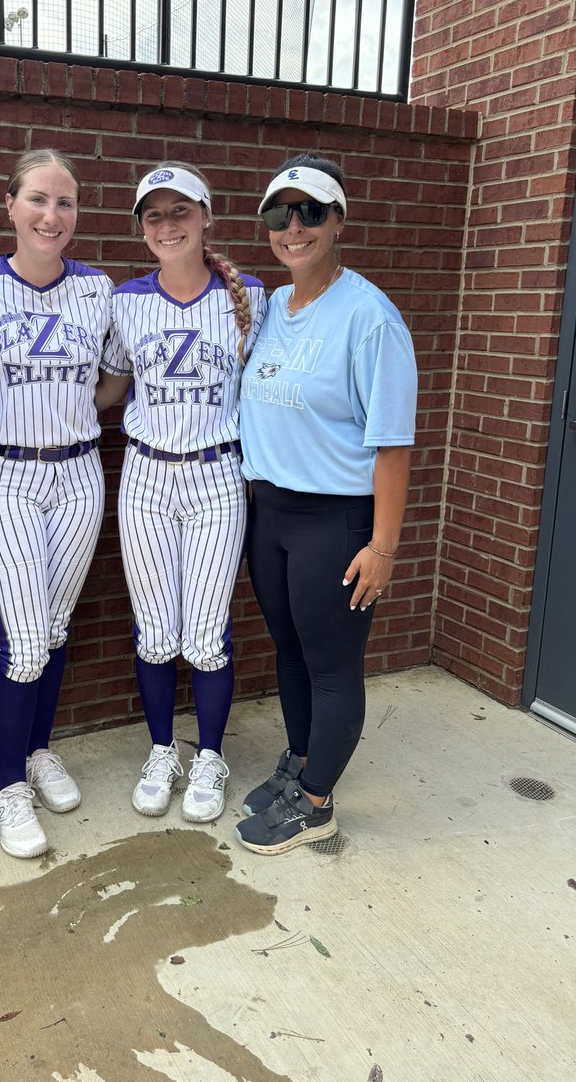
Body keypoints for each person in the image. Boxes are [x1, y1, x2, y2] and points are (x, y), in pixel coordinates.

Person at [234, 153, 417, 855]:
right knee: (290, 650)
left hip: (334, 522)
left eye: (311, 211)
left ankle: (316, 804)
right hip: (271, 515)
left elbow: (393, 445)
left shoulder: (370, 317)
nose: (294, 227)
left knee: (333, 665)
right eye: (281, 214)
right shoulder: (274, 306)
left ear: (338, 220)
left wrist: (382, 545)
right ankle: (303, 762)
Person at [0, 150, 113, 859]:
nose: (52, 216)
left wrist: (72, 409)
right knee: (23, 644)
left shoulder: (99, 290)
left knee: (53, 629)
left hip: (79, 472)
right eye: (39, 200)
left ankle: (39, 752)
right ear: (10, 205)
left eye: (66, 203)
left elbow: (115, 380)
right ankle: (10, 784)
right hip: (7, 474)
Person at [96, 163, 267, 824]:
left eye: (180, 212)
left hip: (217, 474)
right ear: (142, 227)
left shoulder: (249, 295)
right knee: (156, 633)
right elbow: (110, 389)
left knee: (206, 634)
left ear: (206, 217)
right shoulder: (127, 301)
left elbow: (270, 394)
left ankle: (211, 756)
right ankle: (164, 749)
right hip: (144, 473)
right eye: (154, 215)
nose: (168, 226)